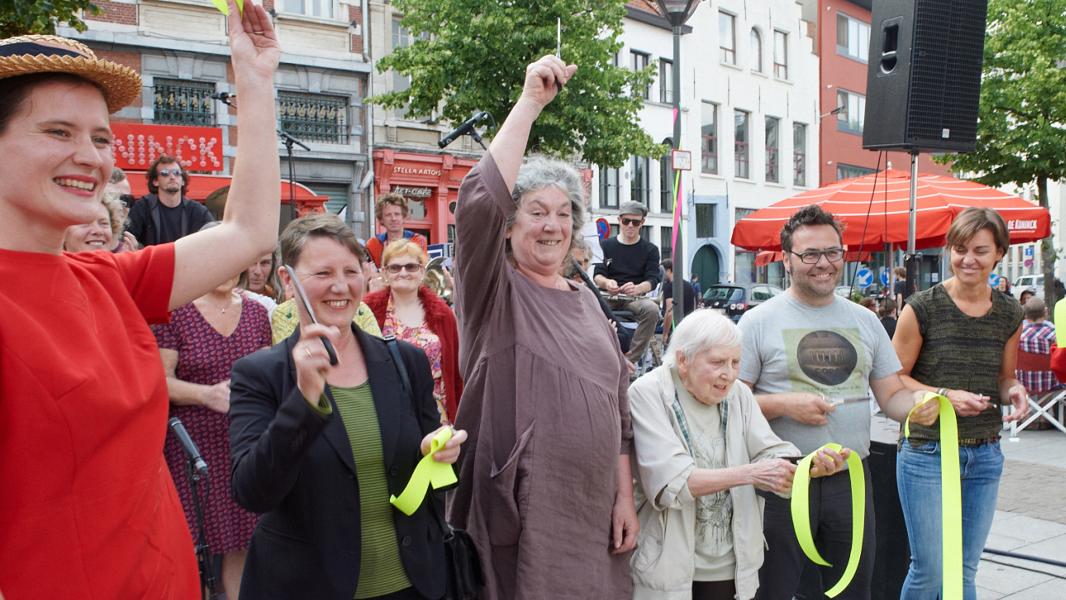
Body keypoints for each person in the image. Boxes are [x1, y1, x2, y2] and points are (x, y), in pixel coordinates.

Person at [0, 5, 282, 598]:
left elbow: (249, 234)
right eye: (58, 132)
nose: (92, 157)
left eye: (102, 138)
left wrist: (254, 81)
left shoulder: (108, 279)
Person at [447, 55, 638, 598]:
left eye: (562, 213)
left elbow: (618, 414)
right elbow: (481, 200)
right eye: (535, 211)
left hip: (594, 513)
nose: (551, 224)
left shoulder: (588, 302)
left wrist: (624, 498)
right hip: (521, 514)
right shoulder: (494, 290)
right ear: (508, 228)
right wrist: (530, 102)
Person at [228, 214, 466, 600]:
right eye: (322, 273)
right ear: (288, 281)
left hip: (412, 583)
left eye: (351, 271)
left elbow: (433, 475)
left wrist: (438, 452)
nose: (340, 287)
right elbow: (253, 492)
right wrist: (303, 401)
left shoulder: (406, 361)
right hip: (308, 586)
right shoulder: (261, 373)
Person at [738, 205, 932, 600]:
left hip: (852, 478)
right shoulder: (758, 322)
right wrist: (785, 404)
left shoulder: (865, 320)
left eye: (832, 252)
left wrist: (920, 404)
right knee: (772, 591)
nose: (822, 263)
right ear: (787, 261)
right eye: (809, 254)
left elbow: (891, 395)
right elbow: (729, 403)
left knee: (851, 592)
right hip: (782, 482)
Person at [629, 310, 847, 599]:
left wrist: (808, 467)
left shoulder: (738, 394)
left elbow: (769, 450)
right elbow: (672, 483)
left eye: (735, 362)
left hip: (732, 564)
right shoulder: (647, 393)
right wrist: (752, 473)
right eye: (718, 362)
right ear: (683, 360)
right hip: (669, 565)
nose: (729, 374)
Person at [892, 207, 1028, 599]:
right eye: (959, 248)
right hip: (927, 451)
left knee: (964, 571)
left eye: (980, 250)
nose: (968, 259)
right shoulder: (922, 307)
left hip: (984, 453)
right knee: (931, 572)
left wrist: (1014, 390)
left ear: (999, 253)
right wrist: (945, 395)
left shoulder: (1009, 312)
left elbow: (1003, 378)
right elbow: (894, 378)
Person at [152, 230, 271, 598]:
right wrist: (207, 395)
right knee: (192, 544)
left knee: (241, 541)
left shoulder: (256, 311)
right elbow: (159, 382)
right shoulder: (175, 311)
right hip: (192, 448)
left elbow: (269, 375)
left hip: (243, 442)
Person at [364, 239, 462, 424]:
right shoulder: (368, 311)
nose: (403, 273)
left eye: (411, 267)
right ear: (384, 273)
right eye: (395, 267)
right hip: (387, 414)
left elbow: (456, 374)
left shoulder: (443, 314)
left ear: (422, 271)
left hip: (436, 415)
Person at [595, 200, 662, 364]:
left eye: (635, 222)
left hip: (634, 298)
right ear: (619, 220)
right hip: (608, 295)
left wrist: (638, 288)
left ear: (642, 223)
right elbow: (597, 275)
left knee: (652, 310)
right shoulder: (605, 245)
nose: (630, 225)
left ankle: (629, 360)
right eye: (626, 221)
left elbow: (653, 279)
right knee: (588, 305)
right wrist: (607, 283)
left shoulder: (650, 250)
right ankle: (598, 355)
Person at [127, 154, 214, 245]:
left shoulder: (197, 211)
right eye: (165, 173)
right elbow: (126, 237)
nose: (172, 177)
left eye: (177, 173)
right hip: (154, 258)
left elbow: (213, 238)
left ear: (183, 181)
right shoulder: (143, 207)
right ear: (155, 181)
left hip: (185, 258)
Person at [365, 192, 429, 267]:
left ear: (404, 217)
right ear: (381, 219)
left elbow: (421, 268)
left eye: (397, 214)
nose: (393, 219)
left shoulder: (418, 240)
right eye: (388, 215)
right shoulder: (373, 244)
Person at [661, 258, 697, 346]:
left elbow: (670, 312)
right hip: (688, 328)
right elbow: (695, 305)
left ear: (668, 270)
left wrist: (665, 334)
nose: (661, 274)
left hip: (675, 331)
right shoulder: (688, 285)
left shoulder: (669, 286)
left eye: (662, 271)